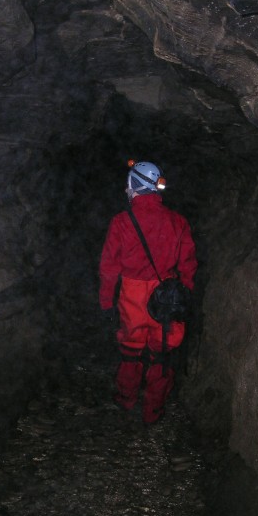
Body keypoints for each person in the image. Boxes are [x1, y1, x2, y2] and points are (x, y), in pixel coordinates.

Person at [99, 160, 197, 424]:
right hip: (165, 299)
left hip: (133, 298)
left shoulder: (121, 222)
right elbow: (188, 264)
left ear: (135, 185)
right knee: (162, 356)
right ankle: (153, 410)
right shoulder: (178, 222)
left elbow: (109, 268)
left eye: (128, 183)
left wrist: (107, 302)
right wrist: (184, 297)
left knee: (131, 353)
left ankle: (126, 399)